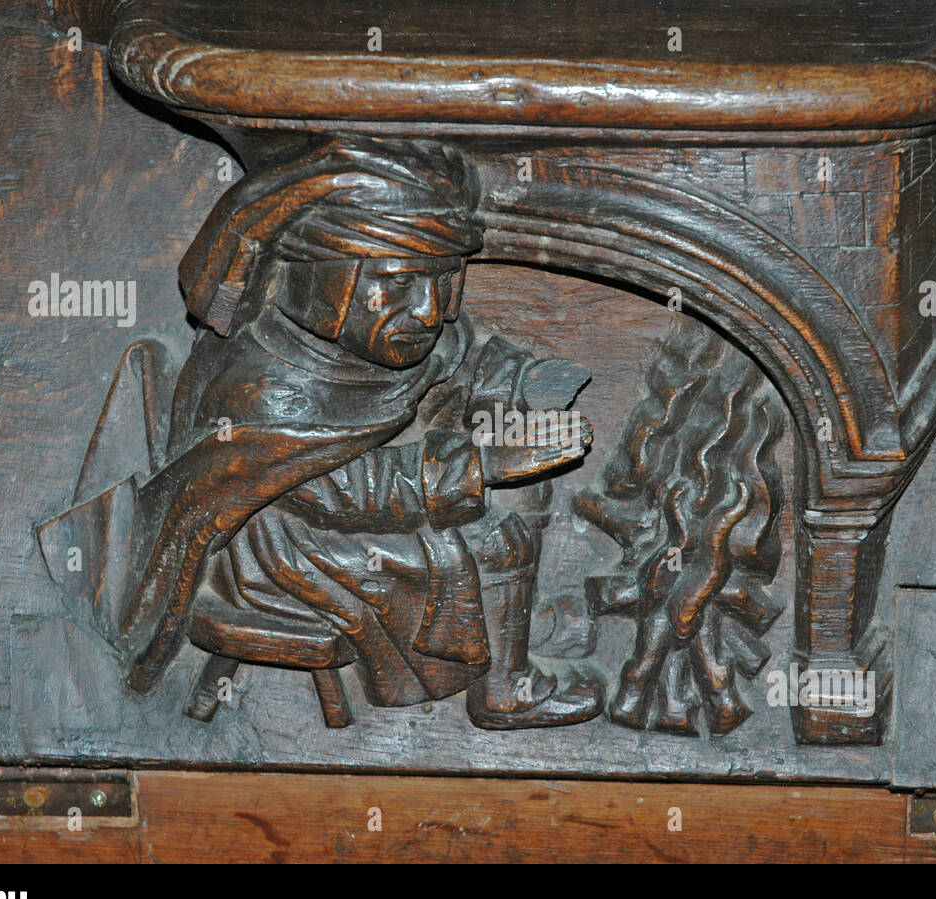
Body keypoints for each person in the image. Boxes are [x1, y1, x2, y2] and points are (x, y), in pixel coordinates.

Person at [117, 136, 603, 729]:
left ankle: (505, 639)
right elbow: (333, 491)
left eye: (441, 282)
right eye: (398, 281)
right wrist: (478, 466)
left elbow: (456, 356)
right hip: (285, 551)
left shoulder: (367, 339)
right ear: (325, 276)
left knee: (530, 489)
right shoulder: (267, 383)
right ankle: (499, 687)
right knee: (489, 536)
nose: (427, 310)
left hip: (329, 526)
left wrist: (523, 382)